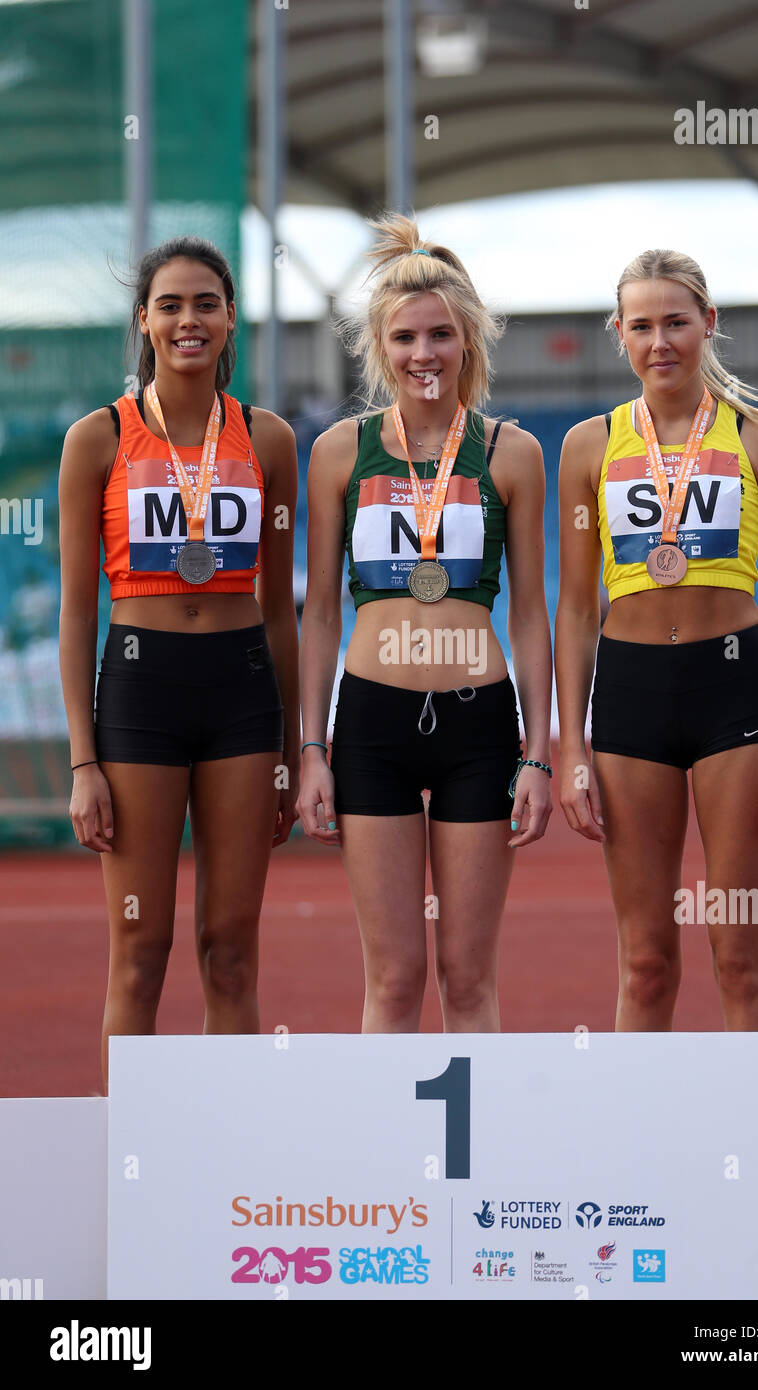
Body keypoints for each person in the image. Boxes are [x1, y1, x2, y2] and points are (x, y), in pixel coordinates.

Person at [298, 213, 552, 1033]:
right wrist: (311, 750)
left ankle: (476, 1164)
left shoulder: (513, 453)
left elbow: (532, 614)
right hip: (372, 720)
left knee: (468, 977)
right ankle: (385, 1160)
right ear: (380, 345)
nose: (424, 354)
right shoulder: (341, 450)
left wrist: (540, 754)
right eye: (405, 337)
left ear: (469, 341)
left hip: (481, 723)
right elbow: (322, 614)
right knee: (396, 977)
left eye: (442, 334)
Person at [58, 236, 299, 1086]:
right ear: (144, 321)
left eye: (205, 303)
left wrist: (291, 750)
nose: (188, 320)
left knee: (230, 950)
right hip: (137, 691)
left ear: (230, 318)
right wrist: (84, 762)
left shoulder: (267, 440)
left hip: (242, 695)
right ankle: (136, 1167)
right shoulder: (99, 438)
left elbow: (281, 615)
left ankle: (229, 1158)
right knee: (140, 949)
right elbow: (78, 612)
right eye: (170, 305)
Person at [556, 248, 758, 1031]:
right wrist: (571, 747)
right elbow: (573, 608)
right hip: (631, 696)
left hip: (733, 689)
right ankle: (642, 1147)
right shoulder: (588, 445)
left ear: (709, 323)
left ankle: (752, 1144)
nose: (660, 341)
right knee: (645, 960)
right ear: (619, 333)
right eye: (641, 326)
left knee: (738, 951)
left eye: (676, 322)